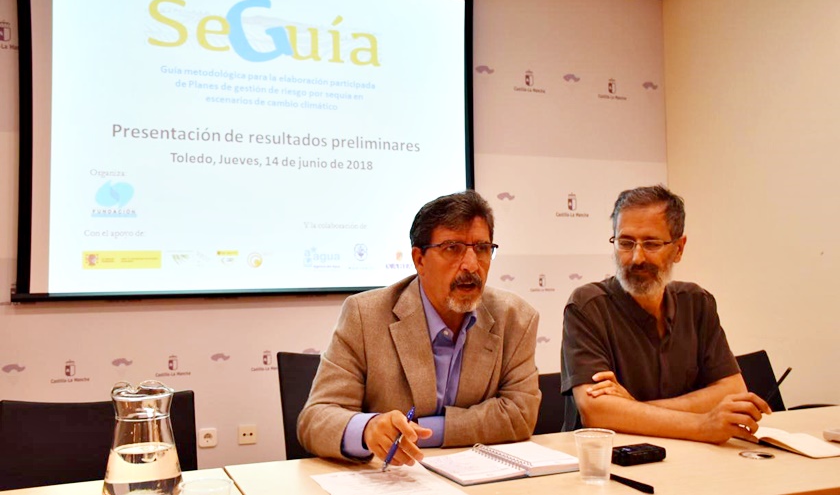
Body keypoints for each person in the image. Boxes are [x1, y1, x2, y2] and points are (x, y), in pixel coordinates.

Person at [298, 190, 541, 465]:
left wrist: (424, 431)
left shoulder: (516, 318)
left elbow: (520, 415)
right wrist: (368, 429)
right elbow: (315, 420)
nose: (472, 265)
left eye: (482, 248)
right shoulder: (365, 316)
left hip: (479, 474)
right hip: (391, 477)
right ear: (419, 260)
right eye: (452, 248)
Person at [560, 185, 771, 444]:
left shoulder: (697, 302)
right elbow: (596, 411)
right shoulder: (587, 306)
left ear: (679, 248)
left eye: (651, 244)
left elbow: (732, 391)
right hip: (608, 457)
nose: (636, 258)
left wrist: (631, 408)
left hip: (690, 455)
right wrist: (701, 424)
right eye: (626, 243)